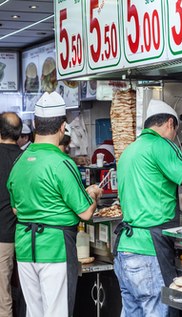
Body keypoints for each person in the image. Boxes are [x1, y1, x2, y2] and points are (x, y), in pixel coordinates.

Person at [113, 99, 182, 317]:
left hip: (125, 250)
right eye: (175, 132)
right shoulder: (160, 145)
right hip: (149, 252)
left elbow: (145, 194)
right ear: (170, 123)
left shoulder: (130, 151)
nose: (174, 138)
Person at [7, 92, 103, 317]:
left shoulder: (20, 161)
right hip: (55, 248)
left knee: (34, 313)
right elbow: (86, 212)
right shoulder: (61, 163)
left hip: (25, 248)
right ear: (63, 127)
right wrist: (94, 194)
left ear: (33, 124)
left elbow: (15, 208)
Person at [0, 112, 22, 317]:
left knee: (2, 295)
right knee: (28, 292)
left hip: (2, 236)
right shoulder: (25, 158)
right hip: (27, 235)